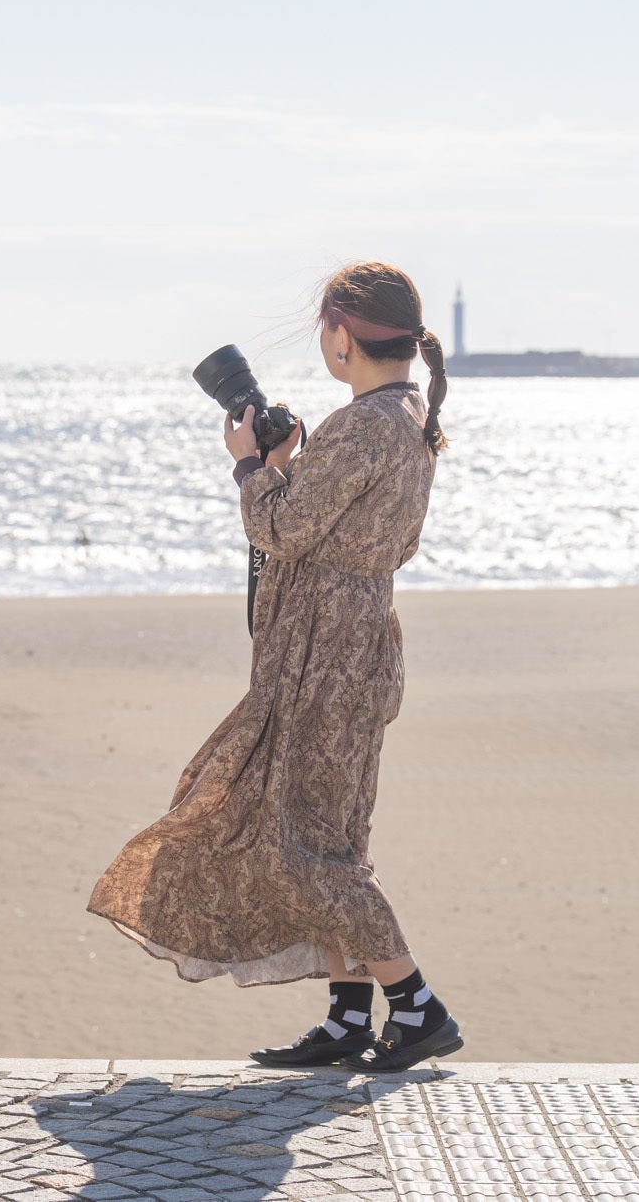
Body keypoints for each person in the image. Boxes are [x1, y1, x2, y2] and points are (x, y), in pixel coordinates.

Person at [86, 261, 463, 1072]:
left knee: (303, 846)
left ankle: (418, 1006)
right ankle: (349, 1016)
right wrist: (289, 461)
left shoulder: (362, 426)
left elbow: (284, 531)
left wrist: (253, 467)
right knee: (331, 836)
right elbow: (330, 527)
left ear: (342, 336)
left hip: (323, 656)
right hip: (355, 643)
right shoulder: (407, 416)